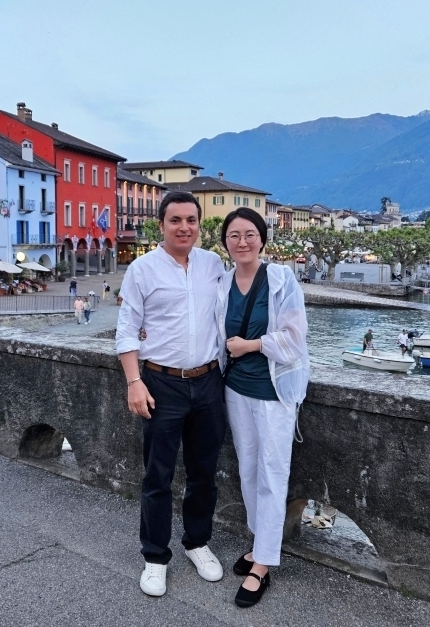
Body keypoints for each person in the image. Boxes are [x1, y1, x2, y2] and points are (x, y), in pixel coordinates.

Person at [116, 190, 226, 598]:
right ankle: (155, 557)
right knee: (157, 475)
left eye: (191, 220)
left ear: (199, 225)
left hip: (209, 380)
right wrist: (134, 381)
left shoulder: (213, 265)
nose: (184, 227)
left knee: (204, 472)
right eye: (175, 220)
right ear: (161, 224)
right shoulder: (142, 269)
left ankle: (197, 543)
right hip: (161, 383)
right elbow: (127, 329)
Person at [218, 207, 309, 608]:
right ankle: (260, 544)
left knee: (273, 473)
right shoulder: (223, 283)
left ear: (262, 239)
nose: (242, 242)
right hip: (235, 389)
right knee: (249, 469)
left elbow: (294, 338)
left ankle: (263, 564)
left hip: (273, 393)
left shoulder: (281, 279)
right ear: (225, 242)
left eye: (250, 234)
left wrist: (251, 345)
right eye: (234, 235)